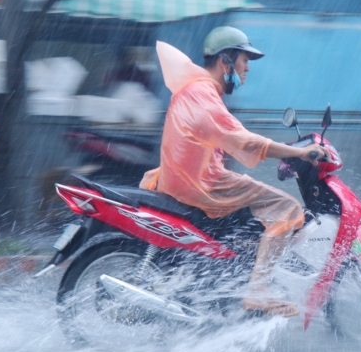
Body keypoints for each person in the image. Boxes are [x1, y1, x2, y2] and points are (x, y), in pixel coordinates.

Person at [139, 27, 327, 318]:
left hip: (182, 178)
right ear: (226, 62)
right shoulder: (203, 95)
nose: (247, 68)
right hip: (203, 183)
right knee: (287, 209)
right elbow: (244, 140)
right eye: (244, 61)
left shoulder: (194, 90)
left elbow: (227, 139)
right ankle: (258, 291)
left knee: (254, 209)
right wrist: (299, 153)